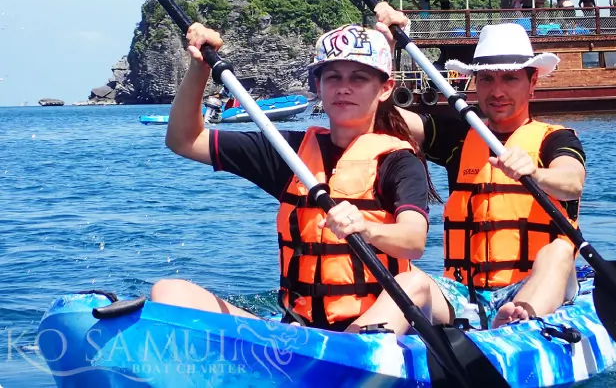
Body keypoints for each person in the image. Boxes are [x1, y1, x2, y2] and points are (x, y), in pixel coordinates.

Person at [153, 22, 443, 335]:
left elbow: (414, 241)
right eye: (333, 77)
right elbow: (184, 140)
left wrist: (367, 228)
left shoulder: (398, 161)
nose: (343, 87)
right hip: (298, 335)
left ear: (384, 88)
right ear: (318, 86)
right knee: (169, 292)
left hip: (370, 331)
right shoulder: (288, 152)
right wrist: (199, 68)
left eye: (358, 78)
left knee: (414, 282)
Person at [374, 4, 586, 331]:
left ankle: (520, 321)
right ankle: (358, 347)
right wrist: (385, 46)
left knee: (558, 251)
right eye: (486, 79)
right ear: (475, 83)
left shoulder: (554, 140)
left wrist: (535, 173)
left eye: (510, 79)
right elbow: (383, 119)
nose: (497, 91)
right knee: (409, 281)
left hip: (532, 286)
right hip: (465, 295)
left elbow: (571, 181)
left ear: (533, 83)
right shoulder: (460, 137)